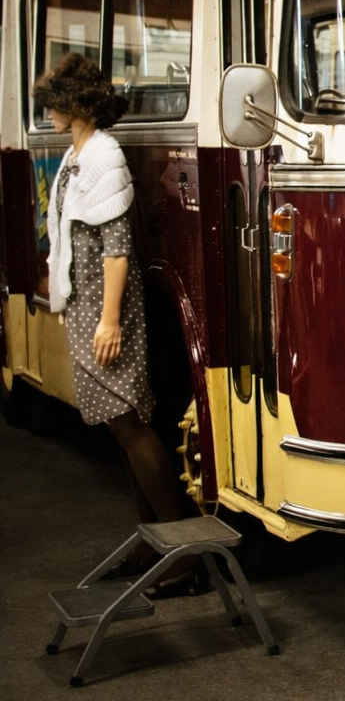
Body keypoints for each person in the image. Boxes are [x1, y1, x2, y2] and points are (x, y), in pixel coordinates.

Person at [33, 53, 205, 598]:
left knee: (130, 422)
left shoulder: (103, 156)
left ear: (76, 105)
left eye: (55, 104)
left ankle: (183, 552)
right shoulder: (77, 155)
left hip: (105, 310)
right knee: (120, 425)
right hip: (86, 305)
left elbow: (117, 249)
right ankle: (153, 538)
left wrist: (109, 321)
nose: (49, 114)